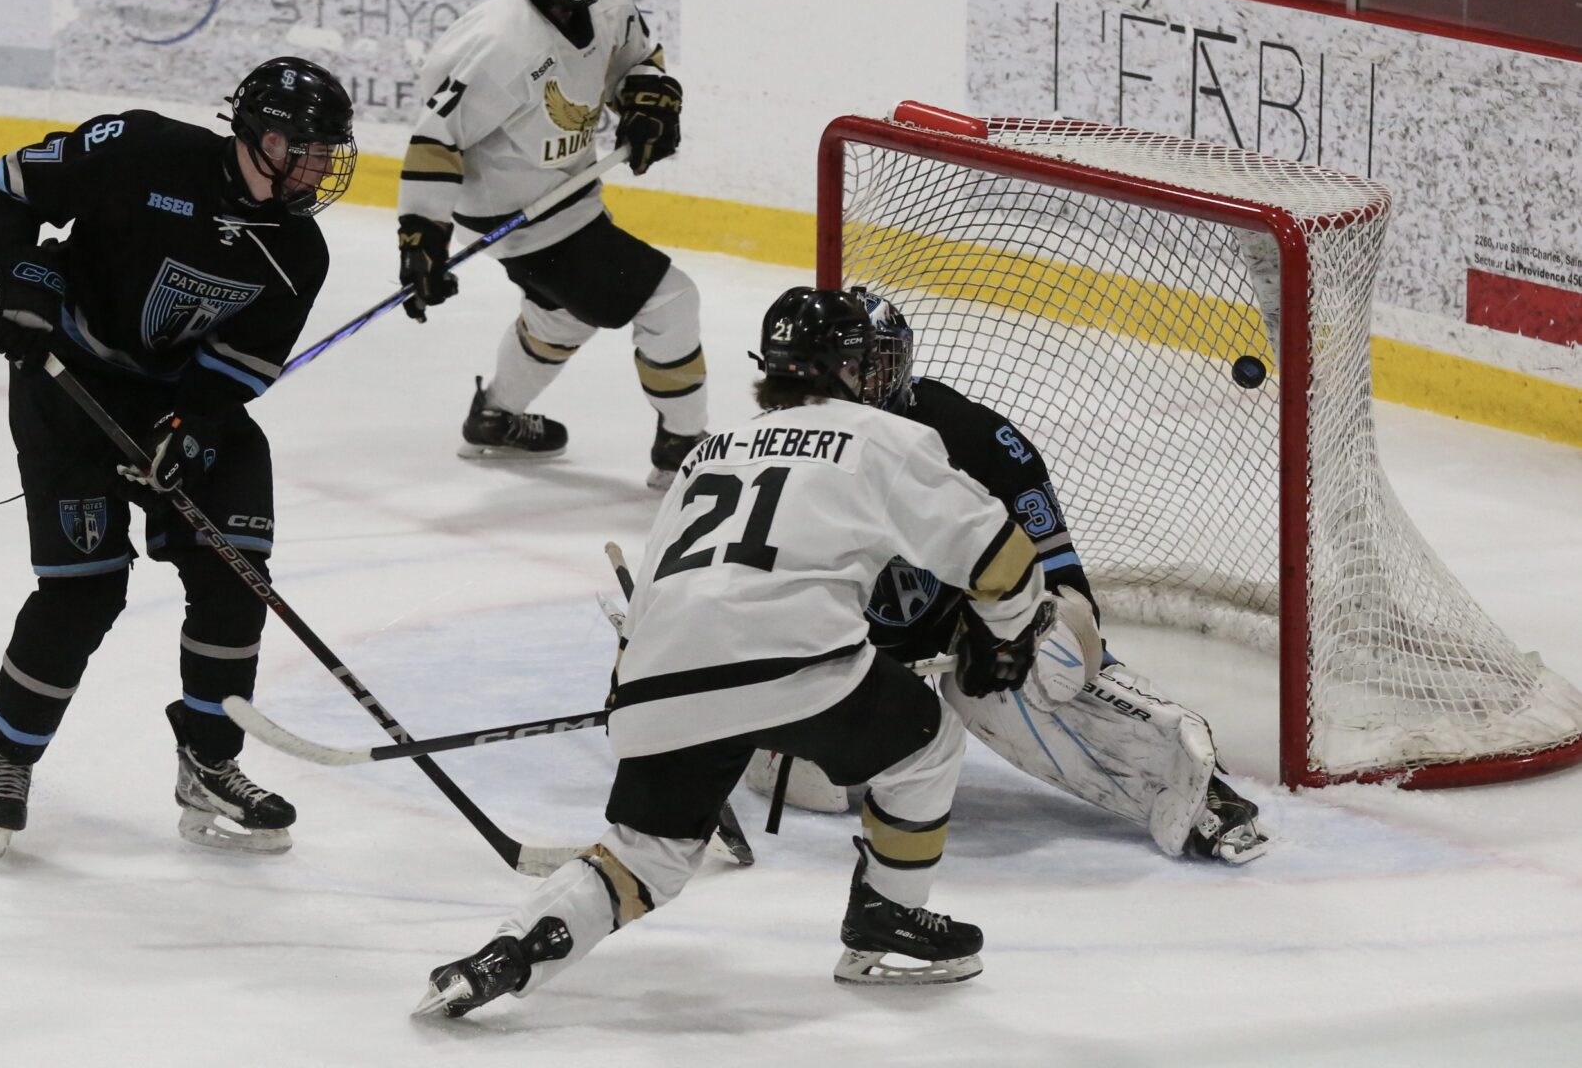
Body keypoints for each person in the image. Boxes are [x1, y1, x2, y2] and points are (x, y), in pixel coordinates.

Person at [412, 286, 1098, 1017]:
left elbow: (650, 594)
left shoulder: (710, 451)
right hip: (796, 665)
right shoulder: (883, 437)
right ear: (849, 368)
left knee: (646, 855)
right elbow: (999, 557)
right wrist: (1006, 636)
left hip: (656, 678)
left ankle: (509, 952)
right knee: (928, 746)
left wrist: (629, 692)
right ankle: (885, 923)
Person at [0, 57, 355, 857]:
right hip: (69, 384)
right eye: (307, 148)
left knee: (235, 573)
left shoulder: (300, 252)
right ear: (259, 137)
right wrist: (25, 289)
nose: (321, 167)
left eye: (329, 151)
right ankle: (11, 755)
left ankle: (210, 763)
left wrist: (189, 430)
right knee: (83, 591)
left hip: (178, 399)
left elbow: (235, 371)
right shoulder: (140, 150)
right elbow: (9, 188)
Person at [746, 291, 1272, 865]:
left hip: (952, 639)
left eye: (869, 369)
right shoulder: (760, 453)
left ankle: (1183, 779)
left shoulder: (971, 438)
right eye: (841, 372)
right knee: (807, 782)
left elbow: (1066, 589)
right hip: (831, 651)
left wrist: (1016, 635)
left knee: (1048, 663)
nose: (856, 389)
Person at [395, 0, 708, 487]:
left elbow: (638, 60)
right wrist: (422, 236)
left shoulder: (609, 6)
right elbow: (437, 139)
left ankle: (494, 417)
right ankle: (682, 449)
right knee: (670, 300)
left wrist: (648, 100)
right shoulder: (500, 45)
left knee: (562, 319)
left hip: (567, 192)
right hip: (516, 215)